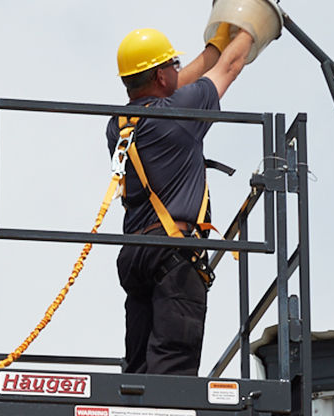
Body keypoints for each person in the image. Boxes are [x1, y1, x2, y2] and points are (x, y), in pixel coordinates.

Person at [108, 24, 254, 376]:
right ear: (160, 76)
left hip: (137, 253)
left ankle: (135, 414)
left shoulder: (118, 125)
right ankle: (167, 414)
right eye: (173, 65)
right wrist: (253, 24)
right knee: (172, 367)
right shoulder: (180, 114)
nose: (179, 70)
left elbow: (172, 86)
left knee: (139, 369)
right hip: (174, 255)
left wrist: (214, 47)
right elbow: (231, 67)